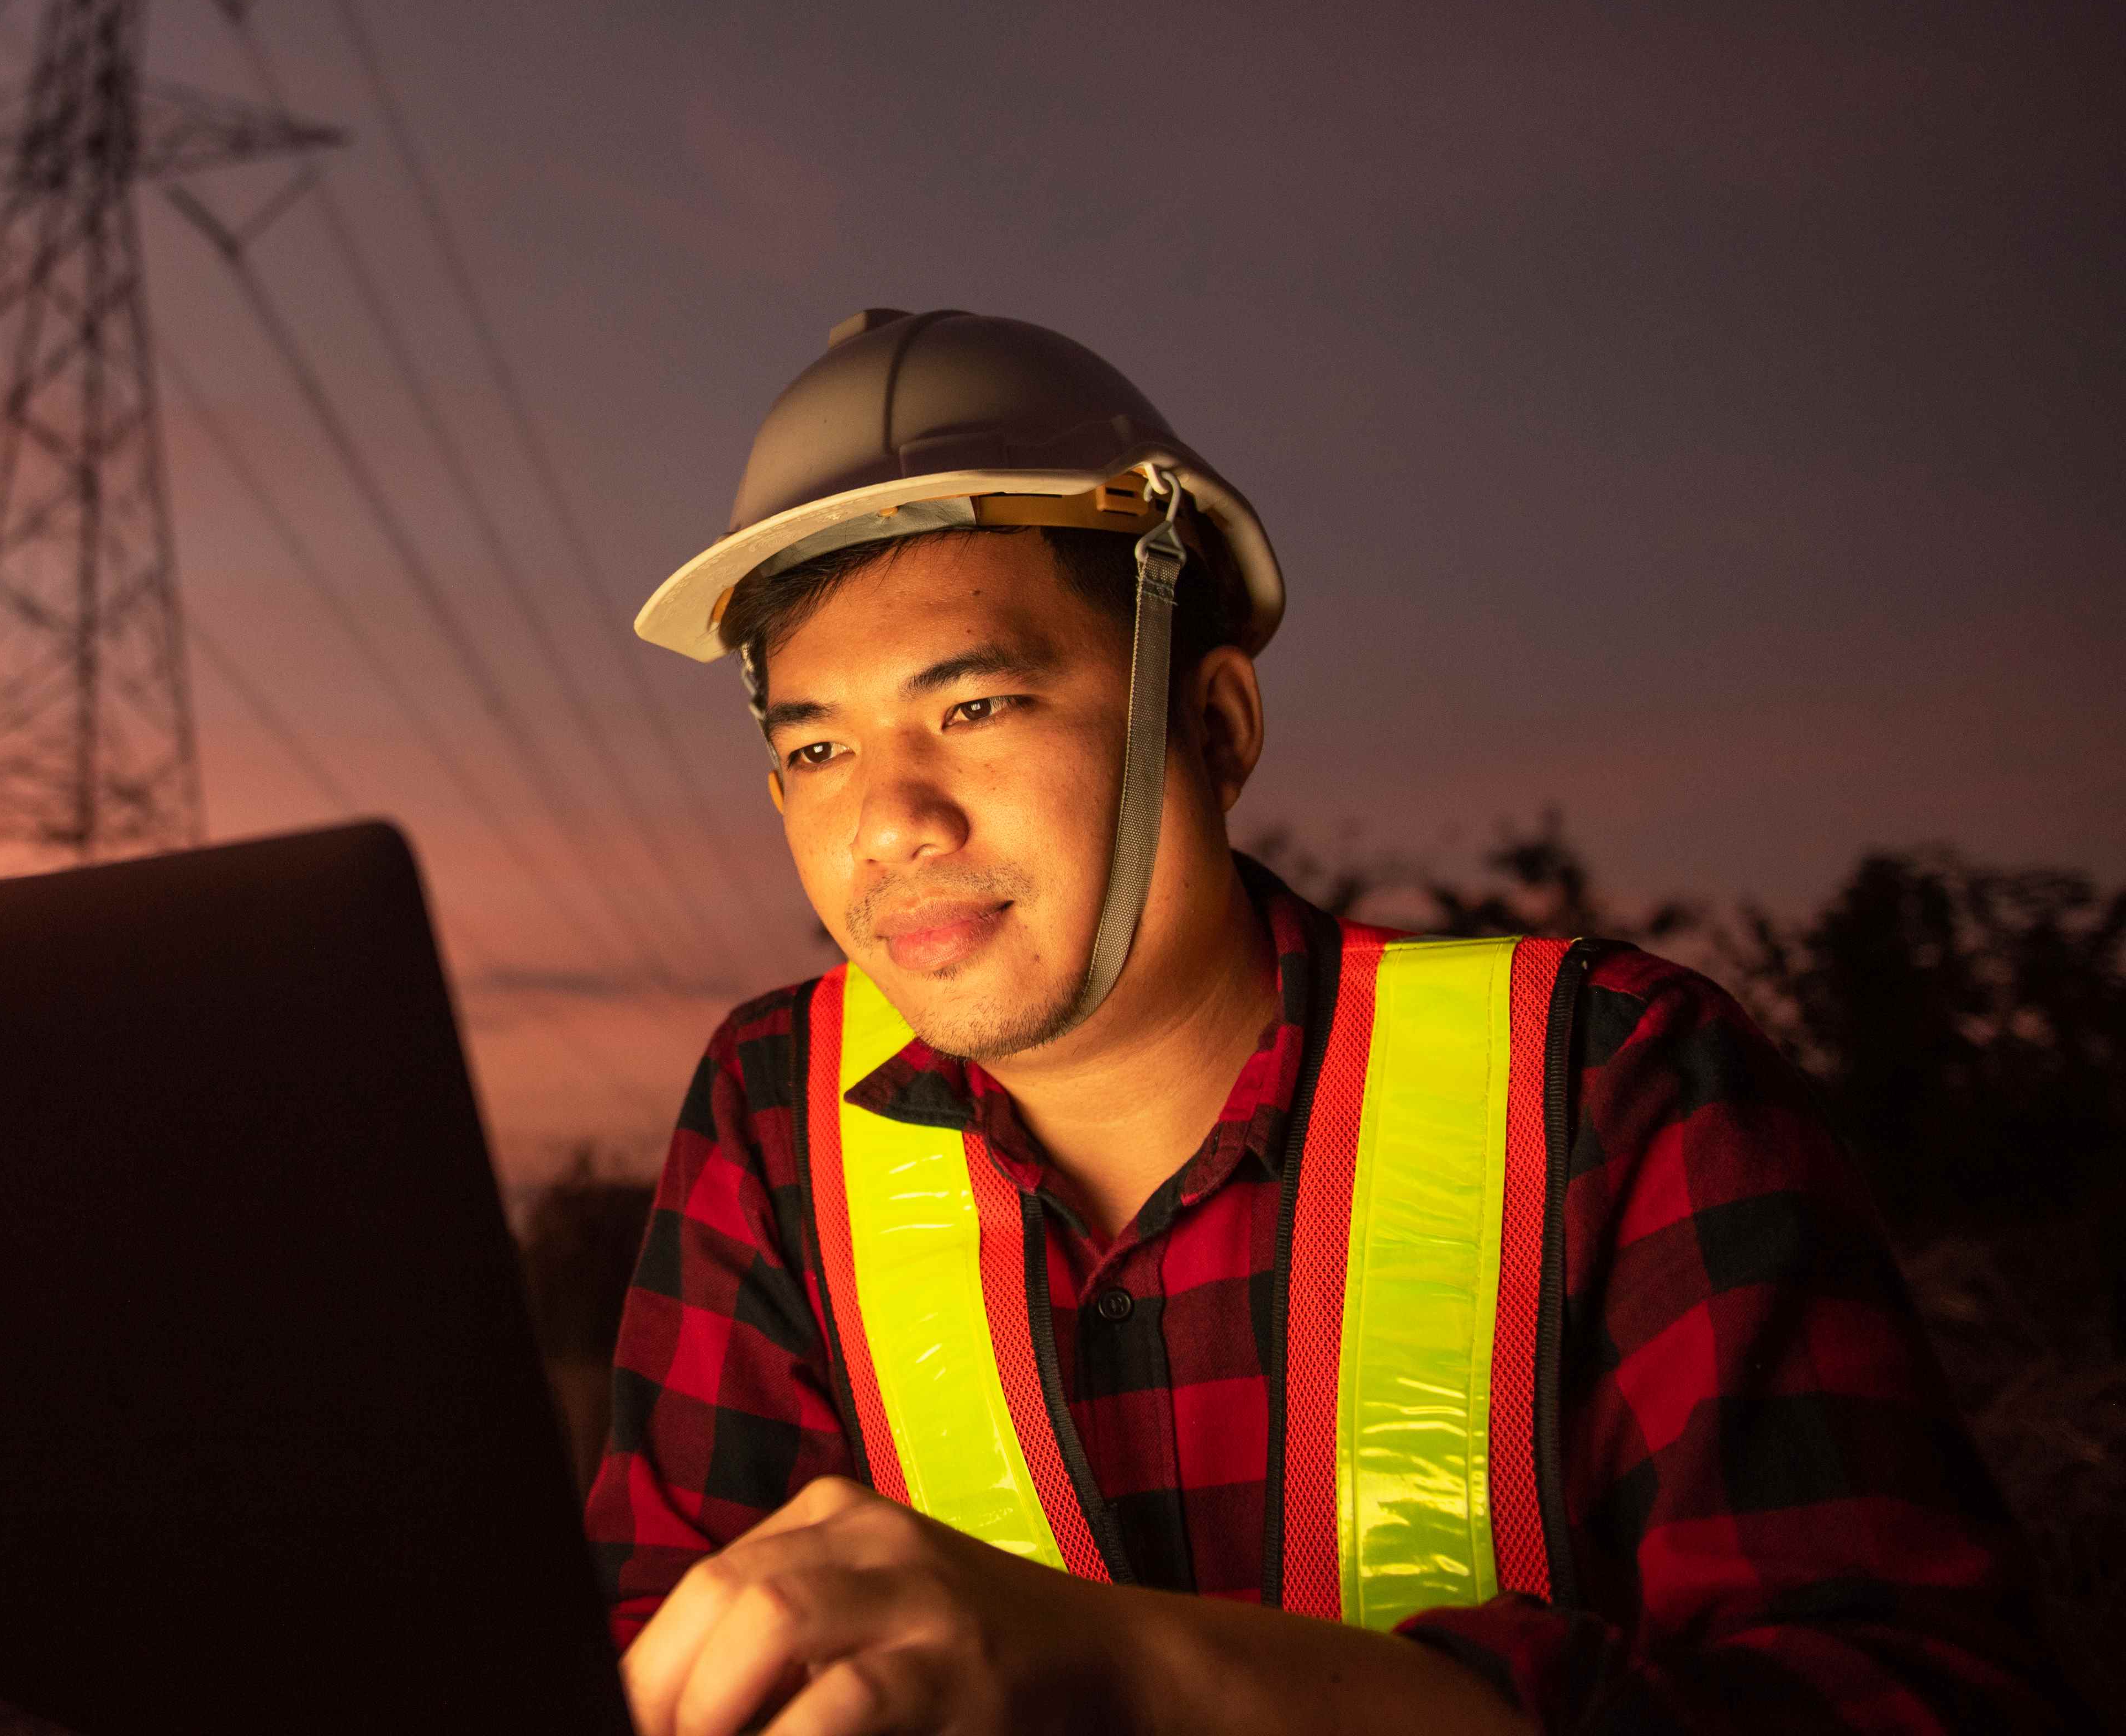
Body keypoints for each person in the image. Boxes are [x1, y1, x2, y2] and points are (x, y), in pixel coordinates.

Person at [590, 309, 2072, 1735]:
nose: (891, 823)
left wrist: (1150, 1682)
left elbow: (1923, 1695)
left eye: (977, 709)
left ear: (1218, 725)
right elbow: (652, 1643)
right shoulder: (775, 1116)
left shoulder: (1611, 1085)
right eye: (821, 745)